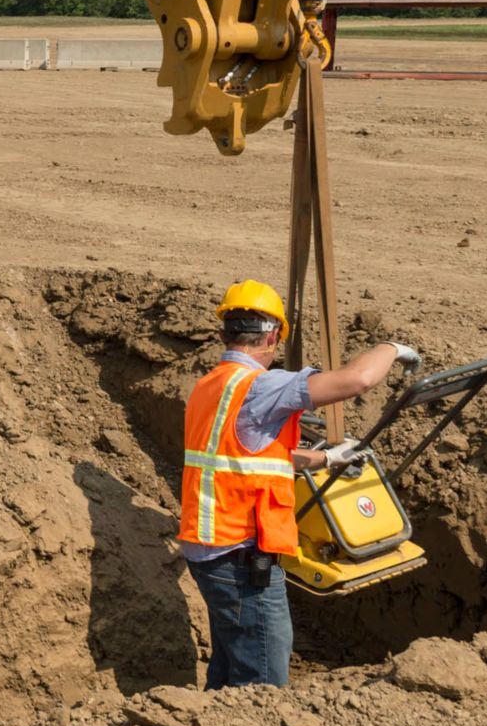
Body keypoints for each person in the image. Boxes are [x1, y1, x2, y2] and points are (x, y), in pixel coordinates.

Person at [178, 280, 417, 688]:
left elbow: (243, 457)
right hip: (241, 555)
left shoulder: (210, 386)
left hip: (210, 549)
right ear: (273, 336)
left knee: (233, 657)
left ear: (224, 333)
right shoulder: (261, 386)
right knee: (263, 676)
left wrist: (325, 458)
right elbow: (357, 380)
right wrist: (392, 348)